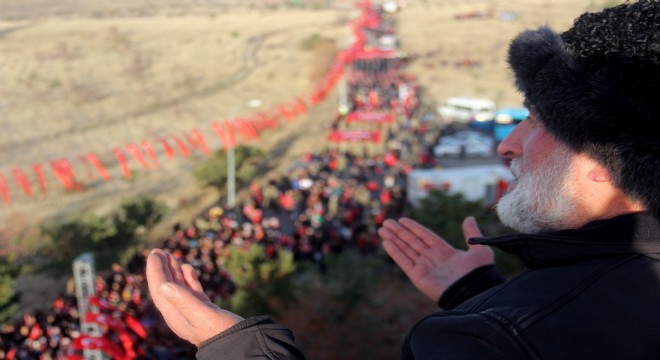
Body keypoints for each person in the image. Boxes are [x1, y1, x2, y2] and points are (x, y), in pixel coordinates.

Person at [146, 1, 660, 359]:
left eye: (536, 120)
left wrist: (237, 345)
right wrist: (477, 293)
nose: (508, 144)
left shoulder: (492, 341)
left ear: (607, 155)